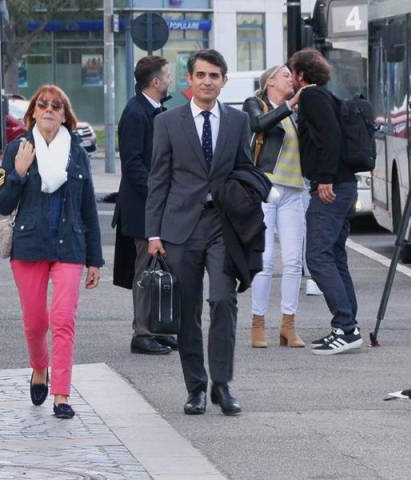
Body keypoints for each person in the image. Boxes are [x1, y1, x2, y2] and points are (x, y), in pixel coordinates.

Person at [146, 49, 251, 416]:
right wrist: (153, 232)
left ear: (224, 82)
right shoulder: (168, 123)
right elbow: (158, 179)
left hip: (223, 226)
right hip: (180, 228)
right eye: (201, 75)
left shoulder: (239, 122)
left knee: (223, 301)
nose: (208, 81)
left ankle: (222, 384)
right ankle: (196, 388)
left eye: (215, 75)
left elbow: (244, 174)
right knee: (187, 310)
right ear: (189, 80)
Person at [0, 85, 104, 418]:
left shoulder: (78, 153)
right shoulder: (18, 147)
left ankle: (61, 394)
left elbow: (88, 208)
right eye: (42, 104)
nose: (49, 110)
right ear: (33, 112)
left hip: (70, 246)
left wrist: (95, 260)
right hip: (29, 246)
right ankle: (39, 368)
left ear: (64, 114)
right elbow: (1, 205)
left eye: (57, 106)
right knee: (34, 323)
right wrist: (19, 172)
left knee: (63, 321)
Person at [289, 48, 362, 355]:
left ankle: (345, 328)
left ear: (300, 74)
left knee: (318, 258)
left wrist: (325, 179)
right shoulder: (326, 96)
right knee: (334, 255)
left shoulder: (311, 97)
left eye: (292, 72)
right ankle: (348, 326)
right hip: (345, 186)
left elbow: (330, 136)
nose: (291, 78)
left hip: (331, 187)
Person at [113, 55, 178, 355]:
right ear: (155, 82)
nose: (170, 80)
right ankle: (142, 333)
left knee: (155, 266)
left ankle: (154, 328)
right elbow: (133, 164)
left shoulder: (152, 110)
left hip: (152, 205)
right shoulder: (136, 113)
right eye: (167, 75)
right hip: (141, 207)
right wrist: (157, 193)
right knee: (144, 269)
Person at [243, 65, 310, 349]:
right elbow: (259, 125)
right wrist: (290, 105)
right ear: (270, 81)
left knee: (294, 261)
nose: (291, 79)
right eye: (285, 75)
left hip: (294, 190)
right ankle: (258, 323)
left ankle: (288, 324)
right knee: (265, 260)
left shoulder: (297, 113)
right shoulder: (255, 104)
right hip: (265, 188)